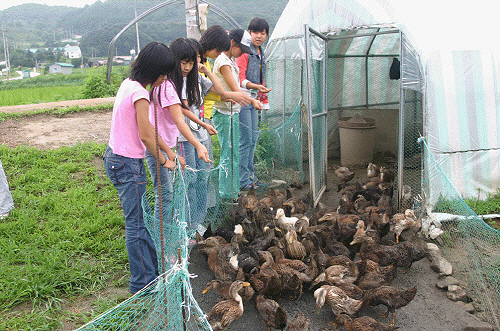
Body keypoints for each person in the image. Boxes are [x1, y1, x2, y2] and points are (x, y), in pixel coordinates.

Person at [103, 41, 179, 294]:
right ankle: (142, 284)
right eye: (164, 73)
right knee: (136, 225)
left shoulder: (128, 85)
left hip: (115, 159)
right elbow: (146, 137)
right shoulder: (141, 94)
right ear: (154, 70)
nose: (165, 78)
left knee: (141, 221)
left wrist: (169, 150)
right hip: (127, 164)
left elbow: (147, 129)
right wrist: (164, 161)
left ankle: (151, 272)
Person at [212, 29, 263, 202]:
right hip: (224, 114)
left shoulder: (231, 61)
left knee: (233, 154)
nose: (242, 52)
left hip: (232, 113)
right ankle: (227, 194)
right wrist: (253, 101)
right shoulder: (222, 61)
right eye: (241, 48)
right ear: (232, 43)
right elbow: (235, 89)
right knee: (228, 154)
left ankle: (233, 191)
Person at [236, 18, 272, 190]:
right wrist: (255, 86)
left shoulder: (261, 52)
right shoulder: (244, 52)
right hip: (243, 100)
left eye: (262, 33)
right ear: (249, 33)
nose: (258, 36)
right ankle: (244, 181)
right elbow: (240, 79)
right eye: (255, 32)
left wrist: (261, 91)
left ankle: (251, 177)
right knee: (245, 140)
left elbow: (260, 76)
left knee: (252, 140)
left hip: (255, 99)